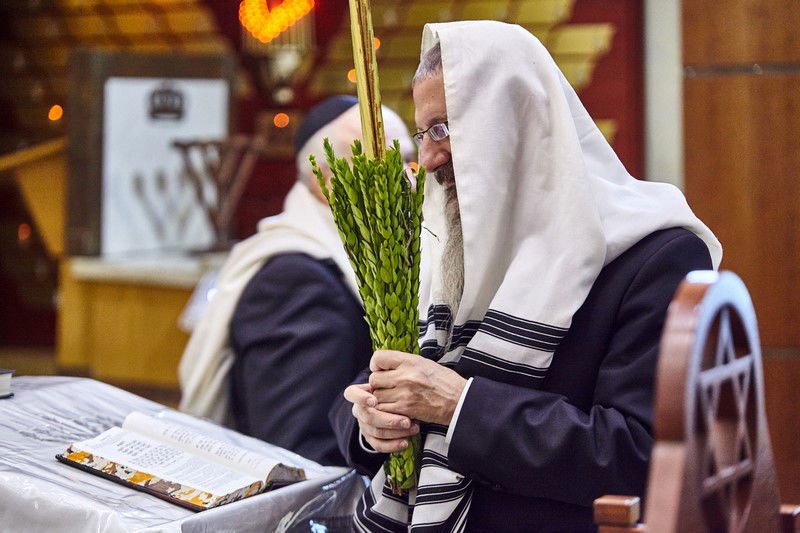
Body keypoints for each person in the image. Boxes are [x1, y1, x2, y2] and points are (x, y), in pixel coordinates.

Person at [329, 21, 723, 530]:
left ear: (515, 120)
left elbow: (639, 456)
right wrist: (369, 424)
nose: (427, 158)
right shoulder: (451, 253)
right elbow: (371, 384)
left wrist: (459, 406)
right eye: (424, 133)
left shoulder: (654, 256)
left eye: (443, 129)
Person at [178, 96, 415, 466]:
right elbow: (297, 450)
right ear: (327, 177)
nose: (404, 181)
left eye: (405, 162)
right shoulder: (296, 281)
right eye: (377, 166)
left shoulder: (375, 259)